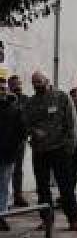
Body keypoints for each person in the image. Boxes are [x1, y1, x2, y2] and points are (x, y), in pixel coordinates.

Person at [22, 71, 77, 231]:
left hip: (60, 149)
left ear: (47, 81)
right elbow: (25, 123)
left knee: (66, 185)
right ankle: (47, 219)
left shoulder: (61, 97)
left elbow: (72, 122)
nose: (37, 86)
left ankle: (73, 219)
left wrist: (70, 146)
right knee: (42, 187)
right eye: (34, 83)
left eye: (39, 82)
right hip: (40, 151)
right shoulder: (31, 102)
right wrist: (33, 131)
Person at [0, 80, 25, 231]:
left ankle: (1, 215)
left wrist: (14, 147)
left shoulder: (15, 108)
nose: (2, 91)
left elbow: (22, 131)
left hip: (7, 154)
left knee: (3, 186)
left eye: (3, 89)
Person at [7, 74, 29, 207]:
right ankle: (5, 196)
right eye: (14, 84)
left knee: (18, 169)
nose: (17, 86)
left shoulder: (26, 99)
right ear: (9, 86)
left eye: (19, 83)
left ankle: (18, 195)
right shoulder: (5, 98)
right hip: (6, 140)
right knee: (5, 169)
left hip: (20, 140)